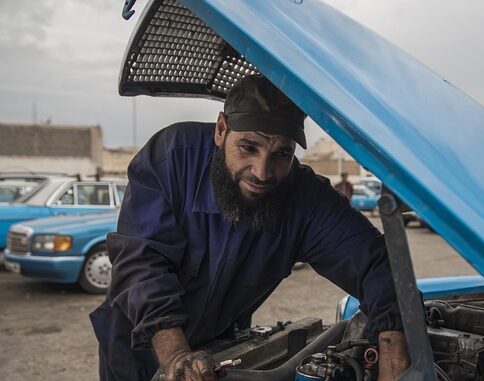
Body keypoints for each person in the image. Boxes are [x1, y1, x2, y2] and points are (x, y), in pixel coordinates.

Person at [91, 75, 409, 381]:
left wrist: (393, 340)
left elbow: (375, 264)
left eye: (281, 154)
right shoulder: (170, 158)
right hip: (139, 342)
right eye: (249, 147)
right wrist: (175, 356)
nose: (262, 172)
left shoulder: (305, 198)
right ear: (221, 130)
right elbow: (141, 263)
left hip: (218, 346)